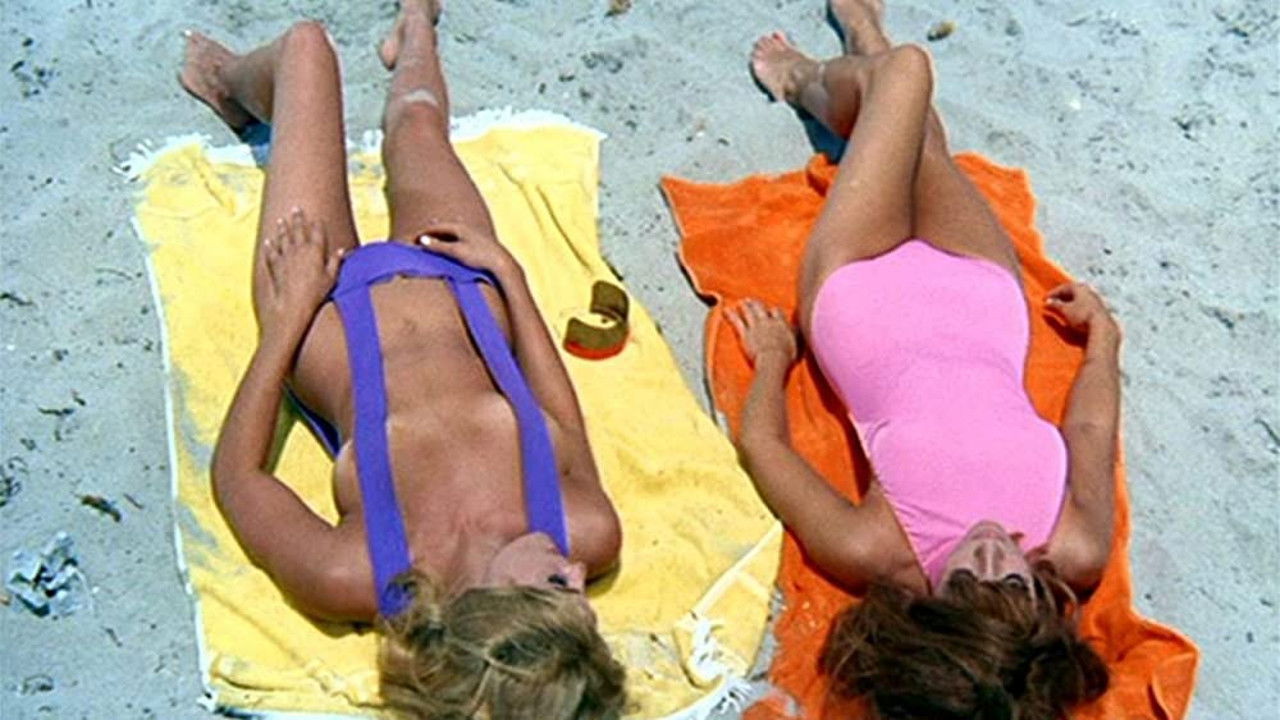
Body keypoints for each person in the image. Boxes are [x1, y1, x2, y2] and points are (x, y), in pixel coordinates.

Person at [179, 2, 625, 717]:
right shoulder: (586, 530)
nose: (578, 572)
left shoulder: (356, 572)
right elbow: (560, 421)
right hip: (465, 288)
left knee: (306, 51)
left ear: (492, 610)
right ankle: (415, 30)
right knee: (417, 126)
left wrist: (284, 323)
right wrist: (512, 280)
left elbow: (238, 478)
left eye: (559, 588)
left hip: (323, 316)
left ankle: (228, 84)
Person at [730, 1, 1114, 717]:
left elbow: (764, 448)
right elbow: (1090, 432)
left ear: (927, 615)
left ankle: (808, 80)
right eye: (1014, 580)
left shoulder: (875, 547)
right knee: (917, 138)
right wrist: (1104, 345)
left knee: (905, 78)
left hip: (856, 288)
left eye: (968, 578)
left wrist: (776, 362)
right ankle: (864, 44)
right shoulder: (1076, 545)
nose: (993, 550)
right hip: (980, 291)